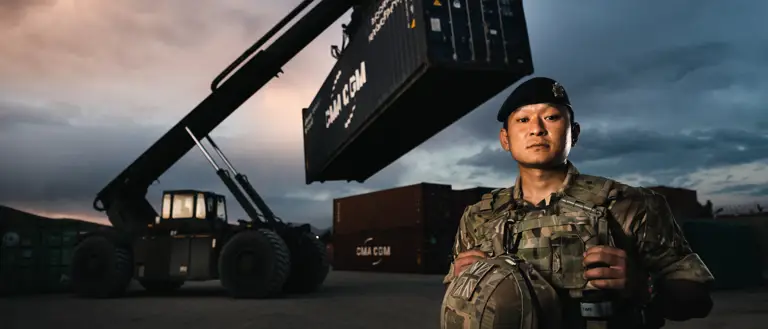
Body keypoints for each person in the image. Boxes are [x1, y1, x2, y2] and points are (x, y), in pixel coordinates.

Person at [442, 77, 715, 329]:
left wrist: (643, 286)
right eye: (523, 120)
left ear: (574, 132)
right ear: (505, 139)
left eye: (551, 117)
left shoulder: (628, 205)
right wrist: (461, 281)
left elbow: (699, 299)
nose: (536, 129)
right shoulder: (479, 217)